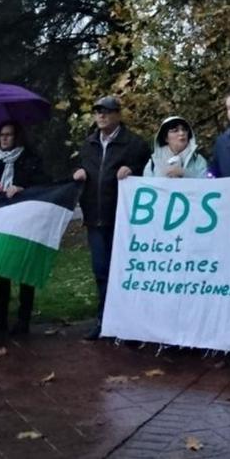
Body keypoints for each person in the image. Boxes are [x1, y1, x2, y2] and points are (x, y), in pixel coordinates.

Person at [73, 96, 150, 340]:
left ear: (117, 114)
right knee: (101, 271)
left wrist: (133, 171)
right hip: (95, 218)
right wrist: (77, 172)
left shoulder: (135, 144)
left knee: (125, 271)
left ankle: (130, 323)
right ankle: (104, 320)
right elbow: (76, 166)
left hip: (123, 220)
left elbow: (148, 174)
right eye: (97, 111)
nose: (101, 115)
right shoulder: (88, 145)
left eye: (106, 111)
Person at [0, 121, 49, 335]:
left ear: (17, 137)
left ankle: (23, 319)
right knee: (1, 269)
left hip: (23, 219)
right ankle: (0, 317)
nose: (4, 138)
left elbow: (43, 184)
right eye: (1, 134)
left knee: (23, 269)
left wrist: (22, 188)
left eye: (9, 135)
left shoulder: (29, 159)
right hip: (0, 220)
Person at [143, 116, 208, 178]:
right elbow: (146, 185)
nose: (181, 133)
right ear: (166, 138)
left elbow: (206, 184)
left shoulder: (198, 160)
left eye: (184, 130)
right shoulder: (153, 163)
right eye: (175, 130)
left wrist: (185, 173)